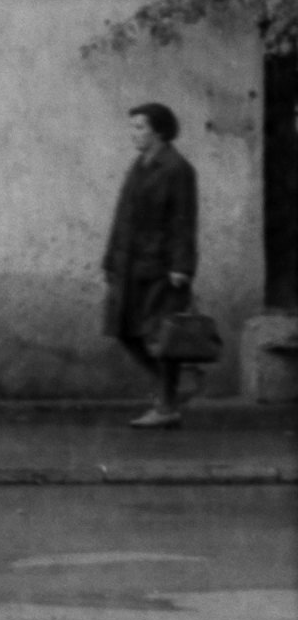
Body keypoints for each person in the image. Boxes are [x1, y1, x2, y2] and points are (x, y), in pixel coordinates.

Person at [104, 101, 201, 429]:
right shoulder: (139, 165)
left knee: (160, 336)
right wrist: (111, 259)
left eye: (139, 127)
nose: (133, 133)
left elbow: (183, 220)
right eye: (132, 127)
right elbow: (122, 216)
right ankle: (170, 390)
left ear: (159, 130)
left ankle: (166, 404)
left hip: (161, 267)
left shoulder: (177, 169)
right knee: (125, 330)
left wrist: (182, 267)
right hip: (130, 264)